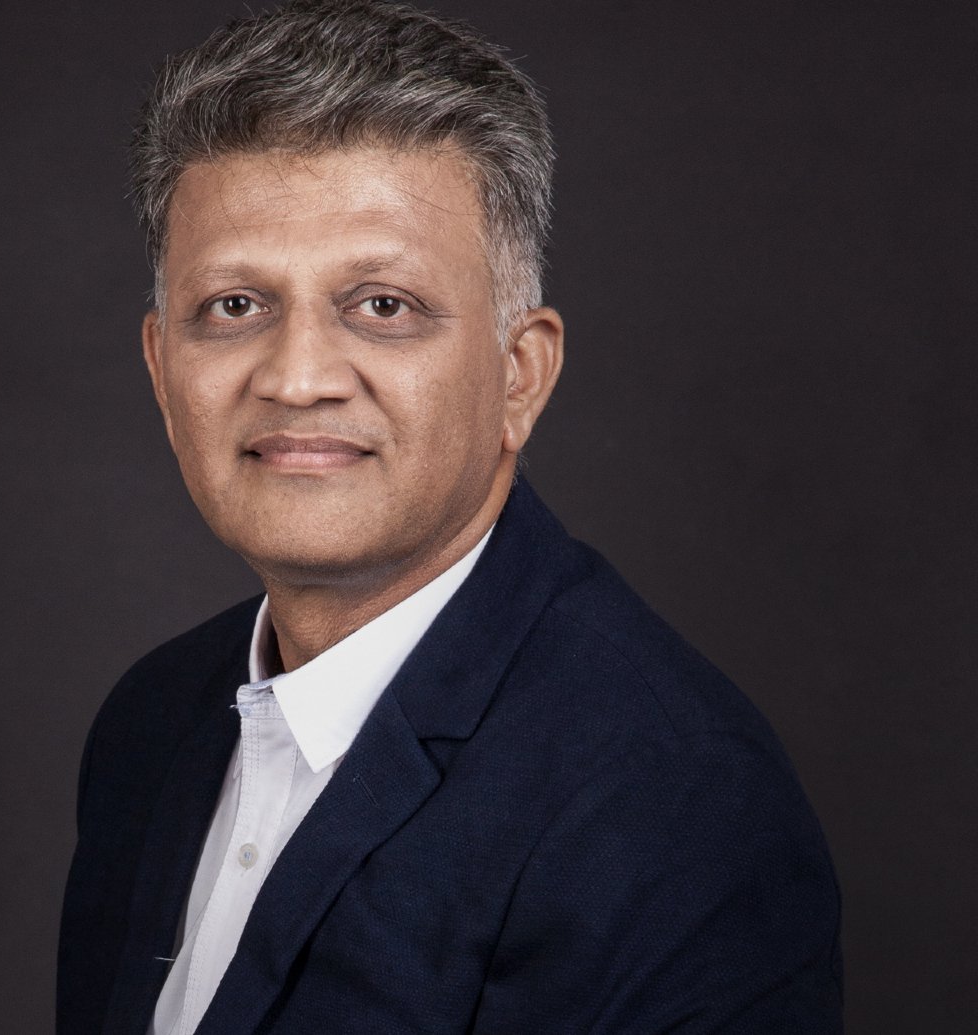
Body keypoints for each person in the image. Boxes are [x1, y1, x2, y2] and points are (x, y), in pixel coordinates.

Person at [57, 1, 843, 1032]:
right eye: (236, 306)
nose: (297, 378)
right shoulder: (151, 725)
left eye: (382, 305)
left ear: (521, 375)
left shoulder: (674, 805)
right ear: (164, 371)